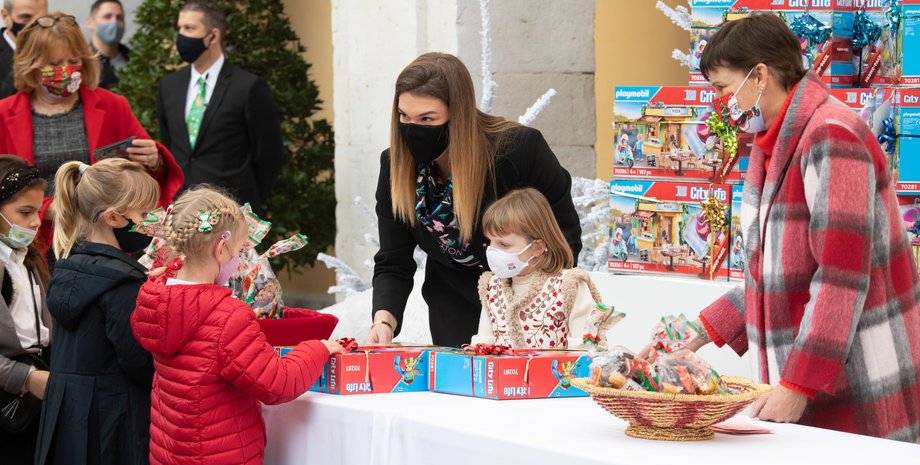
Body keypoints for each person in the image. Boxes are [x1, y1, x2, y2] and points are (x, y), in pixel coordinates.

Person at [643, 13, 920, 443]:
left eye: (722, 87)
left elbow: (841, 276)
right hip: (812, 376)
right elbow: (772, 268)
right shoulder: (773, 142)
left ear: (760, 75)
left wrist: (798, 384)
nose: (720, 102)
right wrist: (696, 334)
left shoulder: (831, 135)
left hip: (862, 377)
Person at [367, 52, 581, 348]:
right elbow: (393, 260)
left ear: (458, 114)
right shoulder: (396, 166)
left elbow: (564, 238)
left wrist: (537, 304)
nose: (413, 129)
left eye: (427, 119)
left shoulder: (519, 151)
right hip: (452, 306)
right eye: (404, 116)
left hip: (529, 308)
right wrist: (383, 321)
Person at [131, 186, 343, 465]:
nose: (240, 261)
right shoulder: (227, 316)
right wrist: (316, 349)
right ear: (221, 250)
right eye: (240, 251)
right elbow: (277, 383)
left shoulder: (156, 300)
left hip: (170, 452)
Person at [0, 12, 183, 253]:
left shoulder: (112, 105)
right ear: (31, 65)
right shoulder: (4, 115)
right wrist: (47, 209)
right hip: (35, 244)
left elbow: (149, 177)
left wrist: (154, 159)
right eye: (54, 64)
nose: (66, 70)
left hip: (106, 241)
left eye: (73, 60)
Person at [35, 159, 159, 465]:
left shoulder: (70, 266)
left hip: (70, 415)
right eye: (145, 214)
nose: (152, 222)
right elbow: (139, 363)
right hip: (113, 420)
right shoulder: (122, 282)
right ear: (113, 217)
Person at [156, 0, 282, 216]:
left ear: (213, 36)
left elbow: (269, 156)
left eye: (189, 28)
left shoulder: (248, 87)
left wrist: (246, 202)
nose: (181, 36)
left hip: (232, 212)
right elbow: (170, 145)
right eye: (180, 28)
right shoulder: (168, 86)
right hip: (182, 213)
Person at [470, 188, 605, 350]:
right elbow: (483, 347)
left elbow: (587, 349)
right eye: (490, 242)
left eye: (504, 244)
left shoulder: (569, 285)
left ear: (537, 247)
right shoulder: (491, 287)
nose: (492, 251)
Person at [0, 156, 50, 465]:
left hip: (36, 390)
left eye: (38, 211)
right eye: (24, 212)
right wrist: (27, 378)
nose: (35, 222)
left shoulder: (27, 257)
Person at [0, 0, 44, 98]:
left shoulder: (53, 50)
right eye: (26, 17)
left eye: (41, 18)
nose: (34, 25)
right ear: (5, 16)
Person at [86, 0, 128, 90]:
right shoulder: (84, 64)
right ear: (90, 22)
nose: (114, 22)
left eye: (119, 18)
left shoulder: (135, 59)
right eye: (107, 17)